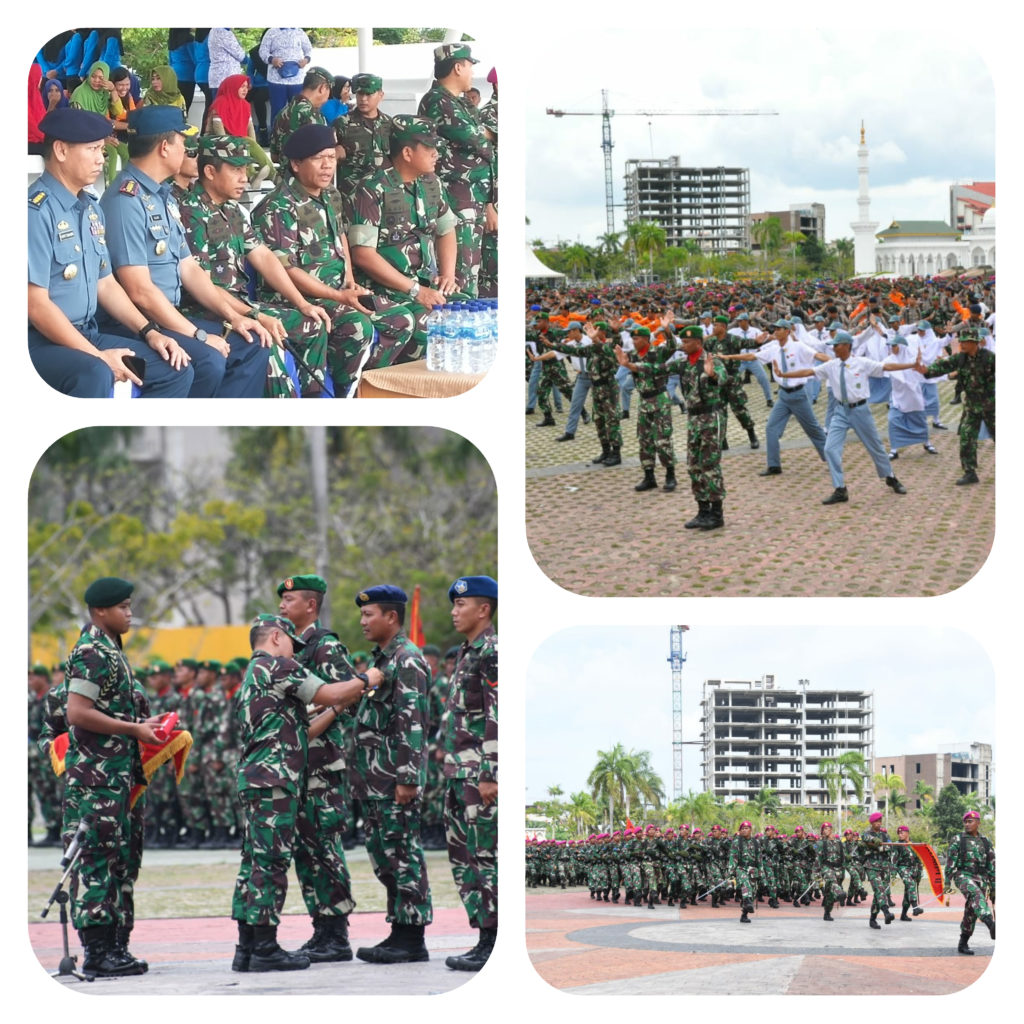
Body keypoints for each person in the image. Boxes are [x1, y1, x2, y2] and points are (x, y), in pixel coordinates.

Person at [100, 104, 274, 398]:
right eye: (184, 142)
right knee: (209, 360)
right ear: (165, 147)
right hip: (137, 323)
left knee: (253, 341)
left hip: (170, 314)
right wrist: (198, 335)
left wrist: (234, 316)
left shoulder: (161, 195)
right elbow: (140, 292)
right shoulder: (125, 200)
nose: (187, 150)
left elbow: (190, 269)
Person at [231, 614, 366, 973]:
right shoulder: (277, 667)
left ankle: (246, 947)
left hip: (258, 778)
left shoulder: (251, 675)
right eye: (292, 643)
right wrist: (367, 680)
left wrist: (332, 707)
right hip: (274, 781)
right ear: (276, 637)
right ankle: (265, 948)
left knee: (255, 862)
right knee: (272, 863)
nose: (296, 652)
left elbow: (300, 725)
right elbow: (333, 692)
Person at [28, 108, 195, 398]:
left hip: (87, 332)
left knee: (175, 369)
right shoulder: (35, 212)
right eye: (93, 149)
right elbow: (36, 306)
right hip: (41, 341)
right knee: (96, 372)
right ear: (61, 150)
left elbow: (106, 284)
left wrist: (151, 332)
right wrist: (98, 355)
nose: (101, 158)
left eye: (102, 150)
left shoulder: (91, 209)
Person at [253, 123, 416, 396]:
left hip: (339, 293)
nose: (328, 166)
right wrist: (337, 296)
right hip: (296, 297)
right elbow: (286, 269)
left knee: (401, 320)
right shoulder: (277, 206)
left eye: (331, 157)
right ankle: (340, 393)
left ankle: (355, 383)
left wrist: (349, 282)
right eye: (318, 159)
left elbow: (341, 239)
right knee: (357, 326)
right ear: (295, 164)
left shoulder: (331, 195)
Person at [275, 574, 382, 962]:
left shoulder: (326, 647)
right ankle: (321, 929)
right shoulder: (291, 648)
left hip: (322, 764)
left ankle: (336, 934)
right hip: (298, 765)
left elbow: (346, 700)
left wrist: (315, 723)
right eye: (282, 600)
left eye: (290, 599)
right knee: (305, 850)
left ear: (311, 606)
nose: (283, 606)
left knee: (325, 847)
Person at [178, 135, 334, 397]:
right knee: (265, 337)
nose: (244, 178)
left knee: (311, 322)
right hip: (205, 312)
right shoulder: (190, 212)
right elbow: (202, 287)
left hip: (241, 305)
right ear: (209, 171)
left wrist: (301, 303)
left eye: (245, 170)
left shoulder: (234, 210)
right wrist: (255, 316)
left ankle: (312, 401)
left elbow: (263, 257)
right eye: (236, 169)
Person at [63, 577, 162, 977]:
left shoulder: (109, 648)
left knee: (119, 860)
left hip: (115, 777)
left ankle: (114, 948)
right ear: (101, 611)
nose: (129, 614)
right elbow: (77, 712)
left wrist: (141, 723)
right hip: (95, 780)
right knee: (98, 862)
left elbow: (107, 710)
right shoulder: (92, 651)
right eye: (123, 607)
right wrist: (134, 730)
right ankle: (99, 953)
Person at [348, 585, 432, 964]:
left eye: (370, 615)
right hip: (374, 780)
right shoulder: (382, 661)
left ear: (392, 617)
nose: (363, 621)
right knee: (384, 856)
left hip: (395, 780)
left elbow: (412, 723)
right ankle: (399, 930)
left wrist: (407, 778)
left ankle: (412, 938)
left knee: (403, 855)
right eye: (362, 615)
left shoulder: (407, 660)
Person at [348, 115, 462, 364]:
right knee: (427, 327)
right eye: (429, 148)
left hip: (423, 284)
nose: (436, 153)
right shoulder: (372, 188)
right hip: (385, 289)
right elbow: (362, 255)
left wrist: (448, 275)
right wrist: (416, 290)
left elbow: (447, 229)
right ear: (408, 153)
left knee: (466, 312)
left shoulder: (432, 183)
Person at [772, 331, 918, 504]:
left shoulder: (861, 363)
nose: (833, 348)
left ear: (847, 346)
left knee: (875, 447)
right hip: (840, 411)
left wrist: (911, 364)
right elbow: (808, 371)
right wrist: (783, 375)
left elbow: (886, 367)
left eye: (837, 345)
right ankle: (840, 489)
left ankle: (890, 476)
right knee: (830, 448)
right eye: (833, 345)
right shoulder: (831, 365)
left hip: (860, 411)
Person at [442, 576, 498, 971]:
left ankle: (495, 941)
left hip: (480, 774)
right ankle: (482, 935)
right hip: (458, 773)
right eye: (453, 605)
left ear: (484, 609)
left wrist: (491, 773)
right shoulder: (466, 653)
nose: (454, 611)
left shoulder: (493, 652)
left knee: (485, 857)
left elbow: (499, 712)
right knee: (464, 858)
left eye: (462, 605)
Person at [417, 44, 496, 298]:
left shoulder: (461, 103)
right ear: (458, 67)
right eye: (470, 66)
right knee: (459, 276)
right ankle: (453, 329)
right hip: (455, 196)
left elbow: (482, 138)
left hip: (471, 197)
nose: (472, 72)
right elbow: (479, 140)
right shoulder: (438, 100)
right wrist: (487, 139)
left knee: (471, 270)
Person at [722, 318, 827, 476]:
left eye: (779, 329)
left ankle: (830, 457)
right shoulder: (774, 348)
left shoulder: (798, 347)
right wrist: (729, 357)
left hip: (798, 394)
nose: (776, 331)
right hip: (784, 396)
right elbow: (752, 356)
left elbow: (817, 355)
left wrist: (836, 361)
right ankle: (774, 465)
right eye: (775, 329)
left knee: (813, 430)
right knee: (771, 428)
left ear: (787, 331)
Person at [671, 323, 729, 530]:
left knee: (710, 465)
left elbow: (723, 379)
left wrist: (712, 374)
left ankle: (716, 513)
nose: (683, 345)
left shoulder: (711, 360)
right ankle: (702, 510)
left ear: (698, 342)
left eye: (687, 342)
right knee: (694, 465)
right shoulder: (684, 363)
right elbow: (657, 367)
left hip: (710, 417)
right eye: (682, 342)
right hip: (693, 420)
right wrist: (631, 366)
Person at [920, 327, 995, 485]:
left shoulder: (990, 358)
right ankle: (970, 472)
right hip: (971, 406)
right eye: (960, 341)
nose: (960, 344)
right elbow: (942, 366)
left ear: (974, 342)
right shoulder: (961, 358)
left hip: (992, 405)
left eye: (964, 341)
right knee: (967, 437)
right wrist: (926, 371)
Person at [615, 325, 677, 493]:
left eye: (637, 339)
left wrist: (667, 330)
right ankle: (649, 476)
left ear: (646, 340)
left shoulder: (658, 352)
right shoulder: (632, 356)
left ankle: (670, 475)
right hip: (644, 401)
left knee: (662, 439)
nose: (634, 342)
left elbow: (672, 346)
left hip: (659, 400)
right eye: (633, 339)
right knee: (644, 440)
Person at [335, 73, 393, 216]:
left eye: (368, 94)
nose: (363, 99)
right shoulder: (342, 123)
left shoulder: (390, 124)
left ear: (381, 95)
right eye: (359, 94)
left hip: (385, 196)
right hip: (352, 198)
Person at [205, 74, 274, 186]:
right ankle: (272, 176)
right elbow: (220, 133)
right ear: (233, 87)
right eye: (242, 87)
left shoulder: (245, 105)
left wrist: (253, 147)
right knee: (245, 143)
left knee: (247, 144)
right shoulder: (220, 103)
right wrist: (240, 143)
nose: (245, 90)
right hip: (217, 141)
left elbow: (250, 127)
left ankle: (252, 176)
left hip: (238, 141)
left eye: (246, 87)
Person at [944, 810, 995, 955]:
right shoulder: (958, 839)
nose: (967, 824)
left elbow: (992, 865)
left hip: (981, 878)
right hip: (963, 875)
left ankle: (963, 942)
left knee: (971, 910)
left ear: (978, 823)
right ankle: (990, 923)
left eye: (970, 821)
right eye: (965, 822)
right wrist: (947, 882)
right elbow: (950, 862)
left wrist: (994, 888)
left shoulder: (985, 841)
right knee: (976, 894)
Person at [268, 65, 334, 171]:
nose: (326, 100)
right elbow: (320, 156)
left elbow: (274, 157)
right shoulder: (312, 115)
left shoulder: (283, 112)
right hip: (305, 180)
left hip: (284, 180)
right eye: (328, 93)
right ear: (322, 88)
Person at [259, 27, 314, 122]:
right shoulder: (271, 32)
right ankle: (276, 136)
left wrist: (306, 60)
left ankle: (296, 136)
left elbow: (308, 49)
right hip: (276, 80)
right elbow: (262, 51)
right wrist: (272, 59)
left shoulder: (299, 31)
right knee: (277, 111)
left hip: (297, 80)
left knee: (297, 111)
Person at [861, 812, 895, 929]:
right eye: (876, 821)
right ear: (872, 822)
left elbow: (890, 847)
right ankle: (886, 912)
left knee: (880, 893)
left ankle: (873, 919)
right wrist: (874, 841)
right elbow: (865, 839)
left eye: (880, 821)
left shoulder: (885, 835)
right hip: (872, 866)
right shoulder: (867, 834)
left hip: (884, 867)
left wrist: (879, 847)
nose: (879, 823)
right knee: (879, 889)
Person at [728, 821, 761, 923]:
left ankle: (744, 915)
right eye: (742, 829)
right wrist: (731, 873)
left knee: (752, 892)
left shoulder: (756, 842)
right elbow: (733, 858)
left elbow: (759, 859)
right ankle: (747, 901)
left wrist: (761, 874)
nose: (744, 830)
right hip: (741, 868)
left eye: (746, 828)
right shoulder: (737, 842)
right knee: (746, 885)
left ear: (750, 830)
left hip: (753, 870)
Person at [891, 824, 924, 921]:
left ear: (907, 833)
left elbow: (918, 859)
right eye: (898, 833)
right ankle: (915, 907)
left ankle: (903, 915)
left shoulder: (913, 844)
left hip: (913, 869)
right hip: (902, 867)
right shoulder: (897, 845)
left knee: (908, 892)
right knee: (910, 884)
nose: (900, 834)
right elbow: (894, 860)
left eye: (902, 833)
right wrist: (893, 874)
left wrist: (919, 871)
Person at [815, 822, 846, 921]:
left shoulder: (839, 842)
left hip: (838, 868)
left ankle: (827, 913)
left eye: (828, 828)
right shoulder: (820, 843)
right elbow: (818, 860)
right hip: (826, 867)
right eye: (824, 829)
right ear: (822, 831)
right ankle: (840, 893)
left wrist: (842, 871)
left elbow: (843, 858)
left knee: (829, 894)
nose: (826, 830)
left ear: (831, 829)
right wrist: (816, 875)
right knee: (832, 881)